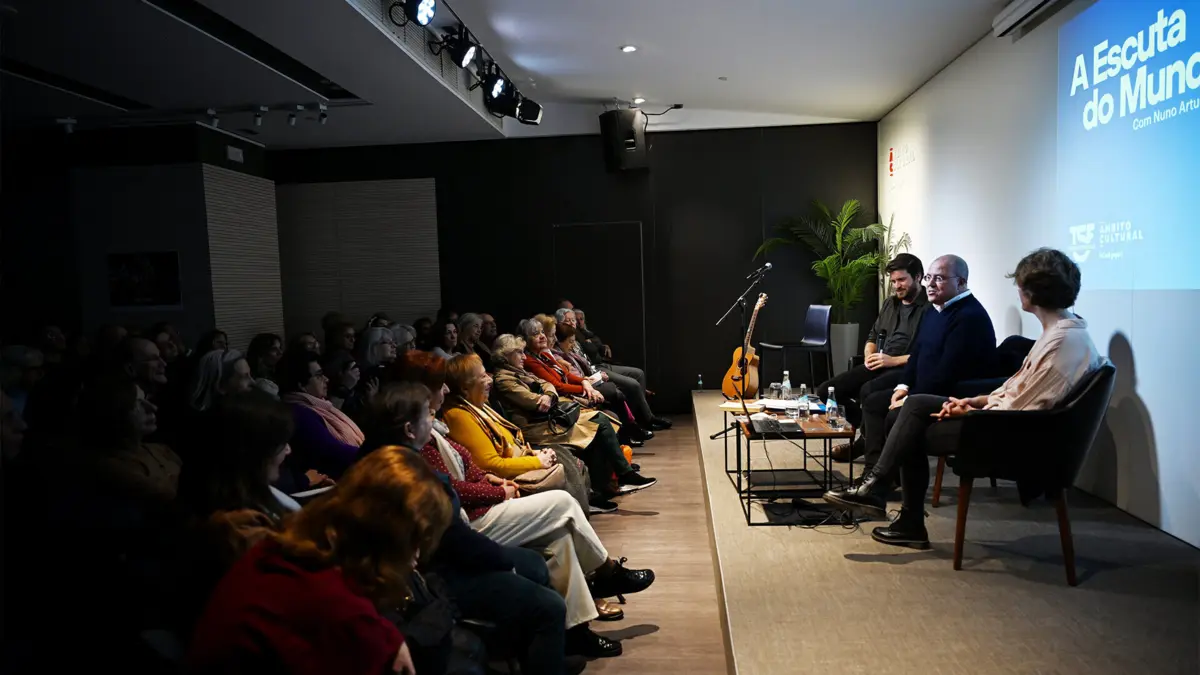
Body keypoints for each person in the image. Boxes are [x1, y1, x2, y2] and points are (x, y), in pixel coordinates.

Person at [825, 248, 1102, 547]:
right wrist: (977, 402)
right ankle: (888, 498)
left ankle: (888, 498)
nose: (1018, 290)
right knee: (904, 412)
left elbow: (1027, 405)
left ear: (1034, 291)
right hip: (998, 416)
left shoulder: (1062, 340)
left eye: (1021, 285)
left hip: (1006, 432)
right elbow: (1018, 391)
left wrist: (970, 409)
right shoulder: (1060, 333)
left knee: (909, 417)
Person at [368, 378, 655, 659]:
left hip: (480, 509)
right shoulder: (413, 462)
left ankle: (576, 632)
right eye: (427, 414)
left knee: (560, 540)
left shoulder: (434, 435)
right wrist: (497, 494)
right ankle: (605, 572)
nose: (433, 414)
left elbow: (471, 467)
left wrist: (493, 484)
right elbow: (458, 500)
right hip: (469, 529)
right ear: (408, 428)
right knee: (563, 504)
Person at [186, 446, 453, 675]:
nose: (416, 557)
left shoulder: (280, 546)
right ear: (385, 540)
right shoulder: (348, 621)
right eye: (415, 543)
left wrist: (391, 638)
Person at [857, 254, 997, 474]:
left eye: (939, 279)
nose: (929, 284)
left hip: (954, 394)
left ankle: (882, 478)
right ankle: (872, 473)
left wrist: (912, 398)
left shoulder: (969, 317)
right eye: (929, 278)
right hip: (926, 388)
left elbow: (947, 373)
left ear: (960, 282)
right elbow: (918, 353)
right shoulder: (935, 310)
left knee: (895, 415)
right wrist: (902, 387)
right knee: (874, 403)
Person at [822, 253, 930, 461]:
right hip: (879, 363)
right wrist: (869, 354)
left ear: (918, 277)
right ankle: (870, 436)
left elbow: (926, 354)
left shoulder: (929, 309)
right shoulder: (891, 303)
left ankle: (869, 442)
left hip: (903, 368)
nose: (897, 286)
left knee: (868, 392)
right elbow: (873, 335)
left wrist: (893, 360)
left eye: (902, 280)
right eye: (894, 281)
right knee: (826, 390)